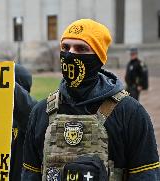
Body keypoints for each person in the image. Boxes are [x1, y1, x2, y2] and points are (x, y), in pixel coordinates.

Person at [21, 19, 159, 180]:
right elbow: (30, 174)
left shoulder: (130, 112)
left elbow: (146, 175)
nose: (70, 54)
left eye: (81, 48)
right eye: (65, 47)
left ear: (98, 58)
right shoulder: (41, 111)